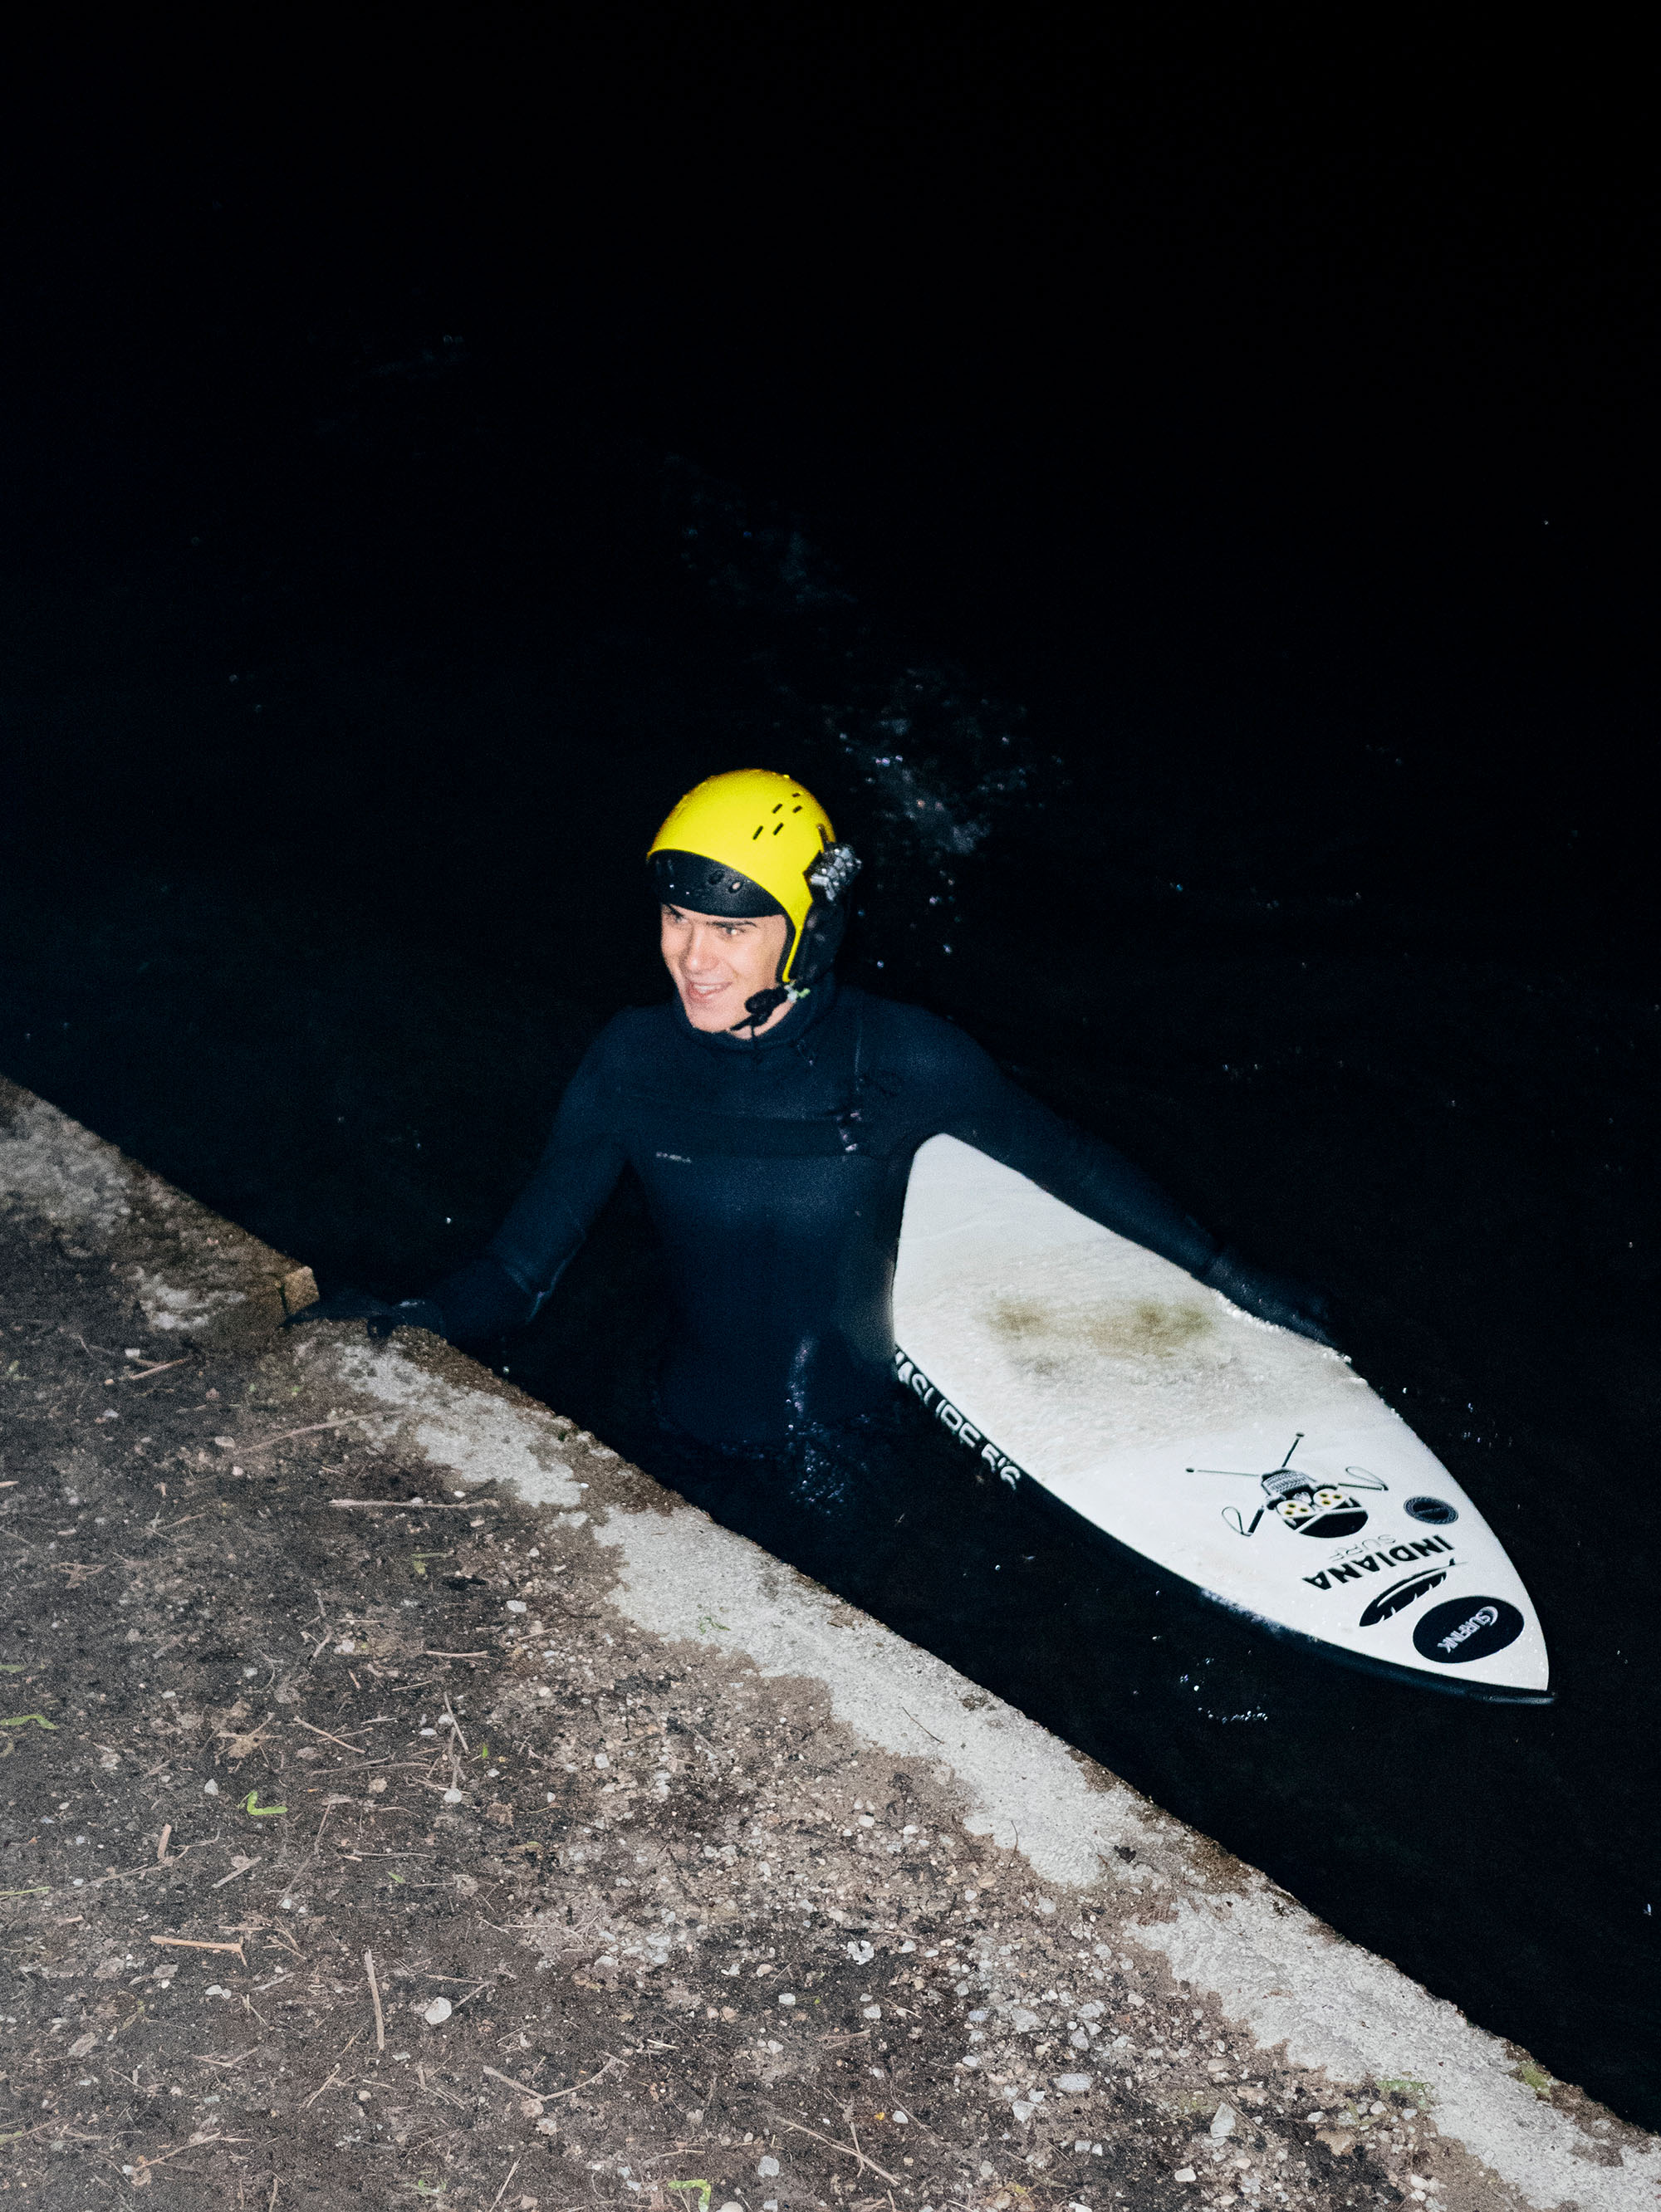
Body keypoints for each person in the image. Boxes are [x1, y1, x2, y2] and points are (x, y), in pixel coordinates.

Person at [299, 769, 1329, 1552]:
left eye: (730, 929)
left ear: (806, 931)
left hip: (861, 1455)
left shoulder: (905, 1058)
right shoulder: (630, 1060)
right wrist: (421, 1316)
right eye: (675, 919)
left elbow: (1071, 1163)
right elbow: (522, 1274)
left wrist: (1228, 1275)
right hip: (680, 1438)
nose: (691, 958)